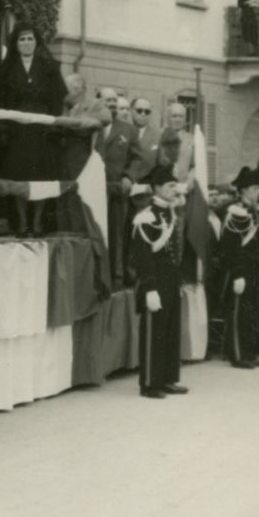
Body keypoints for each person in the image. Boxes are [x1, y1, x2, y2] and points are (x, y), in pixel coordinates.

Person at [0, 22, 66, 236]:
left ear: (36, 42)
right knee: (19, 175)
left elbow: (57, 100)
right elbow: (0, 101)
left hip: (42, 131)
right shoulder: (6, 70)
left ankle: (37, 221)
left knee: (41, 176)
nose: (26, 43)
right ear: (15, 43)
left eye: (30, 38)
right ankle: (22, 222)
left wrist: (53, 125)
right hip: (16, 130)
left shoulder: (49, 68)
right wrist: (3, 129)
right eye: (22, 39)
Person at [130, 163, 189, 399]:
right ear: (156, 188)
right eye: (170, 185)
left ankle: (167, 379)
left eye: (175, 185)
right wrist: (150, 287)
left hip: (171, 279)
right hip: (155, 280)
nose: (175, 189)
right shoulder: (146, 217)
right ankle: (150, 383)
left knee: (171, 330)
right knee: (155, 331)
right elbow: (142, 257)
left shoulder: (168, 212)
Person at [217, 166, 259, 370]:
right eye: (255, 188)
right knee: (239, 313)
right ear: (244, 191)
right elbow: (231, 248)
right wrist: (238, 273)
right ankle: (238, 355)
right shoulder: (235, 213)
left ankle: (249, 352)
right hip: (241, 269)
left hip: (254, 269)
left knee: (251, 311)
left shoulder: (252, 211)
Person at [57, 73, 112, 232]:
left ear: (76, 89)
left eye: (65, 89)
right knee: (65, 200)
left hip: (83, 160)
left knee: (80, 201)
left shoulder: (93, 104)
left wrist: (77, 120)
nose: (62, 93)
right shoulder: (64, 106)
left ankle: (80, 236)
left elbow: (106, 116)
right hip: (63, 161)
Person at [94, 88, 136, 286]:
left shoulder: (127, 129)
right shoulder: (91, 125)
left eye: (113, 100)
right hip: (94, 189)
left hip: (118, 189)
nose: (111, 104)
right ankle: (97, 279)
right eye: (107, 100)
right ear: (98, 101)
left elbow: (137, 157)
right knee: (96, 233)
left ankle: (116, 279)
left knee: (116, 235)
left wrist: (129, 177)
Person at [125, 97, 164, 183]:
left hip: (147, 186)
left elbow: (161, 165)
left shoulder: (158, 136)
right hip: (124, 184)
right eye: (139, 111)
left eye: (147, 112)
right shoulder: (124, 131)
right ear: (132, 111)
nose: (143, 114)